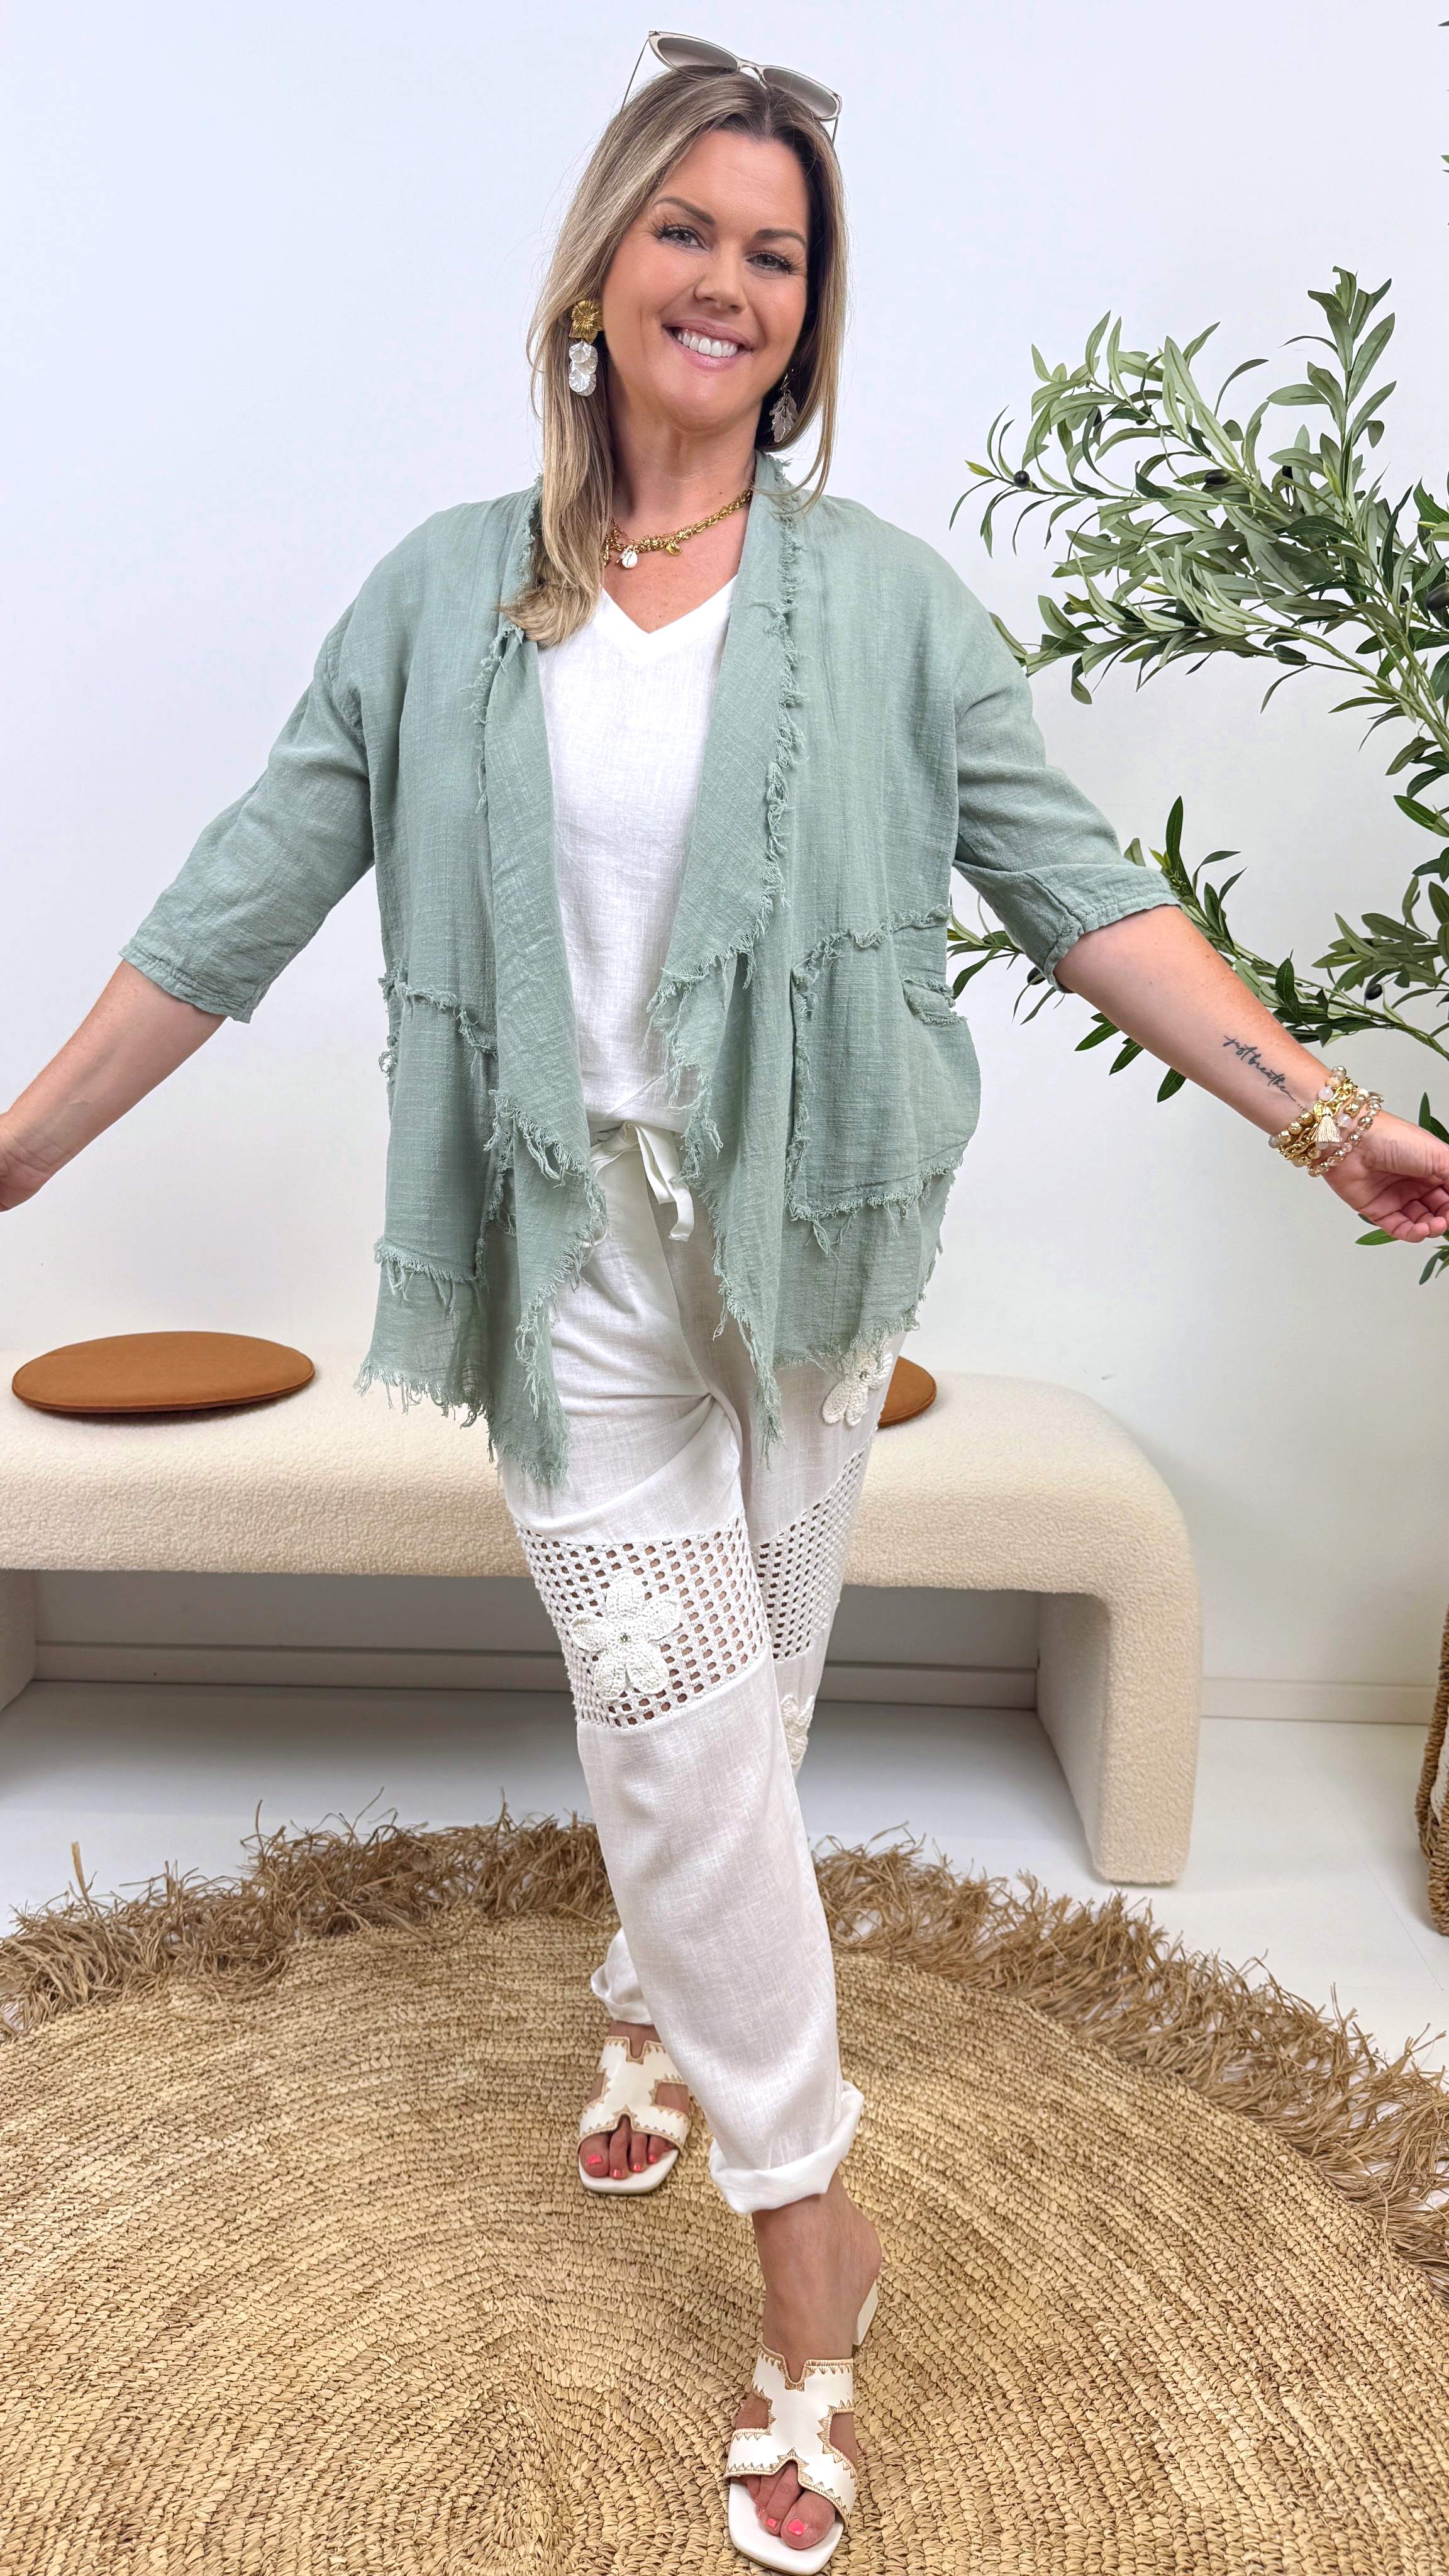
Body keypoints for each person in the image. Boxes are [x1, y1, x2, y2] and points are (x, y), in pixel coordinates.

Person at [6, 43, 1449, 2571]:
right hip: (563, 1245)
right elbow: (236, 898)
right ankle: (812, 2240)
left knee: (749, 1692)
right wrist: (19, 1148)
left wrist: (1319, 1113)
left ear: (809, 314)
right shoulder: (441, 595)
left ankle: (649, 2004)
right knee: (676, 1713)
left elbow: (1081, 888)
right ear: (599, 269)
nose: (729, 282)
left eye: (777, 254)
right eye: (687, 230)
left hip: (807, 1239)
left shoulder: (883, 606)